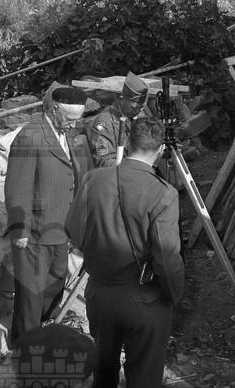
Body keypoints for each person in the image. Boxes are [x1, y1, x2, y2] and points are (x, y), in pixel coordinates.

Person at [66, 118, 184, 388]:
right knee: (144, 377)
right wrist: (174, 295)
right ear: (160, 149)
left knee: (103, 373)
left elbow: (73, 230)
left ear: (128, 144)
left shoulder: (93, 179)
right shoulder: (163, 193)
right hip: (144, 299)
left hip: (98, 295)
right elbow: (167, 259)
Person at [4, 83, 93, 343]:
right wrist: (20, 229)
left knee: (55, 284)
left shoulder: (70, 134)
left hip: (60, 229)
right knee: (31, 295)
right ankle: (24, 345)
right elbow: (17, 187)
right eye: (70, 119)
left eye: (77, 119)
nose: (73, 125)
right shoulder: (30, 136)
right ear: (54, 110)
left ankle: (45, 332)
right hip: (34, 233)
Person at [88, 71, 149, 167]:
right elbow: (103, 161)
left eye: (141, 108)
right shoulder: (104, 123)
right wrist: (134, 165)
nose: (138, 111)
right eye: (134, 107)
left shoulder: (136, 117)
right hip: (117, 173)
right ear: (121, 99)